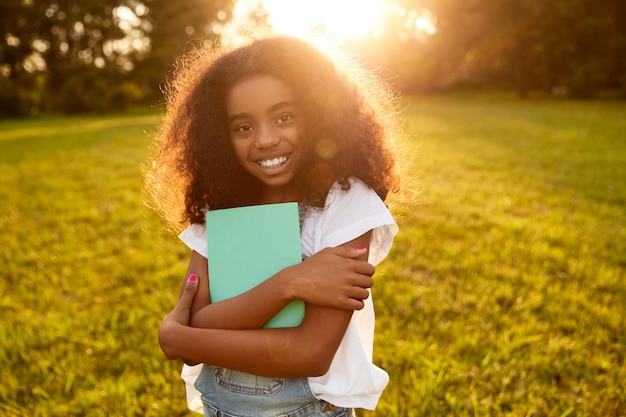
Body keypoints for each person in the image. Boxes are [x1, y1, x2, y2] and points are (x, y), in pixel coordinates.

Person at [145, 34, 403, 417]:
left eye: (284, 118)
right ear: (220, 137)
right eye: (243, 127)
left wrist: (187, 339)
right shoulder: (222, 204)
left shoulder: (345, 204)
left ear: (318, 115)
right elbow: (199, 317)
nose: (265, 140)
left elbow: (309, 352)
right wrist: (292, 283)